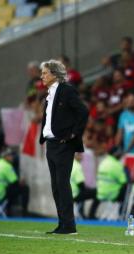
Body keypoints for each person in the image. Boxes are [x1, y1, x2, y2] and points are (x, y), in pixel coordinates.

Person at [39, 59, 88, 234]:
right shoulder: (50, 93)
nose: (42, 76)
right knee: (56, 186)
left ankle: (69, 225)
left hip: (63, 144)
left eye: (45, 73)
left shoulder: (66, 90)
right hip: (51, 144)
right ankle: (63, 224)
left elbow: (83, 111)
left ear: (54, 74)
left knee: (62, 184)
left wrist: (73, 134)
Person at [0, 148, 29, 216]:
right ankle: (24, 213)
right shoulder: (7, 166)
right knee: (25, 188)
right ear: (5, 157)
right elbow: (14, 182)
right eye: (10, 155)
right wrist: (21, 182)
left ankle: (8, 211)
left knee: (10, 189)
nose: (12, 157)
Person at [70, 153, 99, 219]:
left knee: (85, 193)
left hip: (66, 193)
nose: (82, 156)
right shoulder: (77, 166)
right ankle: (91, 215)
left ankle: (81, 211)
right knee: (97, 193)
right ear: (75, 155)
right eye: (80, 154)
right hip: (74, 194)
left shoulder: (69, 164)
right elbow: (81, 185)